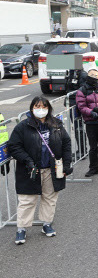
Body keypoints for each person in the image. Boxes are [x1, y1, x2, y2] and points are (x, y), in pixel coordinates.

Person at [8, 97, 72, 245]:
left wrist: (67, 164)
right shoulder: (23, 127)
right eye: (37, 106)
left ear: (49, 108)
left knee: (50, 197)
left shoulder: (56, 124)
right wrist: (27, 160)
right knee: (27, 200)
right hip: (30, 169)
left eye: (44, 106)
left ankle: (47, 224)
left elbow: (66, 143)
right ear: (31, 108)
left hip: (51, 168)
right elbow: (14, 147)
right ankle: (21, 229)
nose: (41, 109)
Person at [76, 69, 98, 177]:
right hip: (91, 123)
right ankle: (93, 168)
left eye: (96, 75)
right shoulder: (82, 91)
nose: (94, 77)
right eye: (92, 75)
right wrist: (91, 112)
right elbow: (81, 106)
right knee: (93, 147)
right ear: (87, 76)